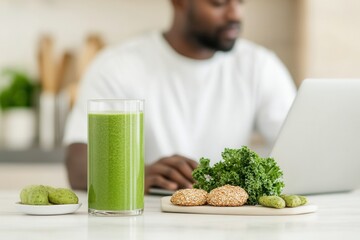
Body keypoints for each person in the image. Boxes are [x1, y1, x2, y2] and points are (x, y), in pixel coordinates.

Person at [63, 0, 296, 193]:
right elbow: (78, 166)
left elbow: (301, 147)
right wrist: (133, 175)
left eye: (240, 2)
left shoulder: (259, 65)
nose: (234, 13)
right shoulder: (118, 65)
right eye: (219, 3)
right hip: (146, 219)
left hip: (232, 223)